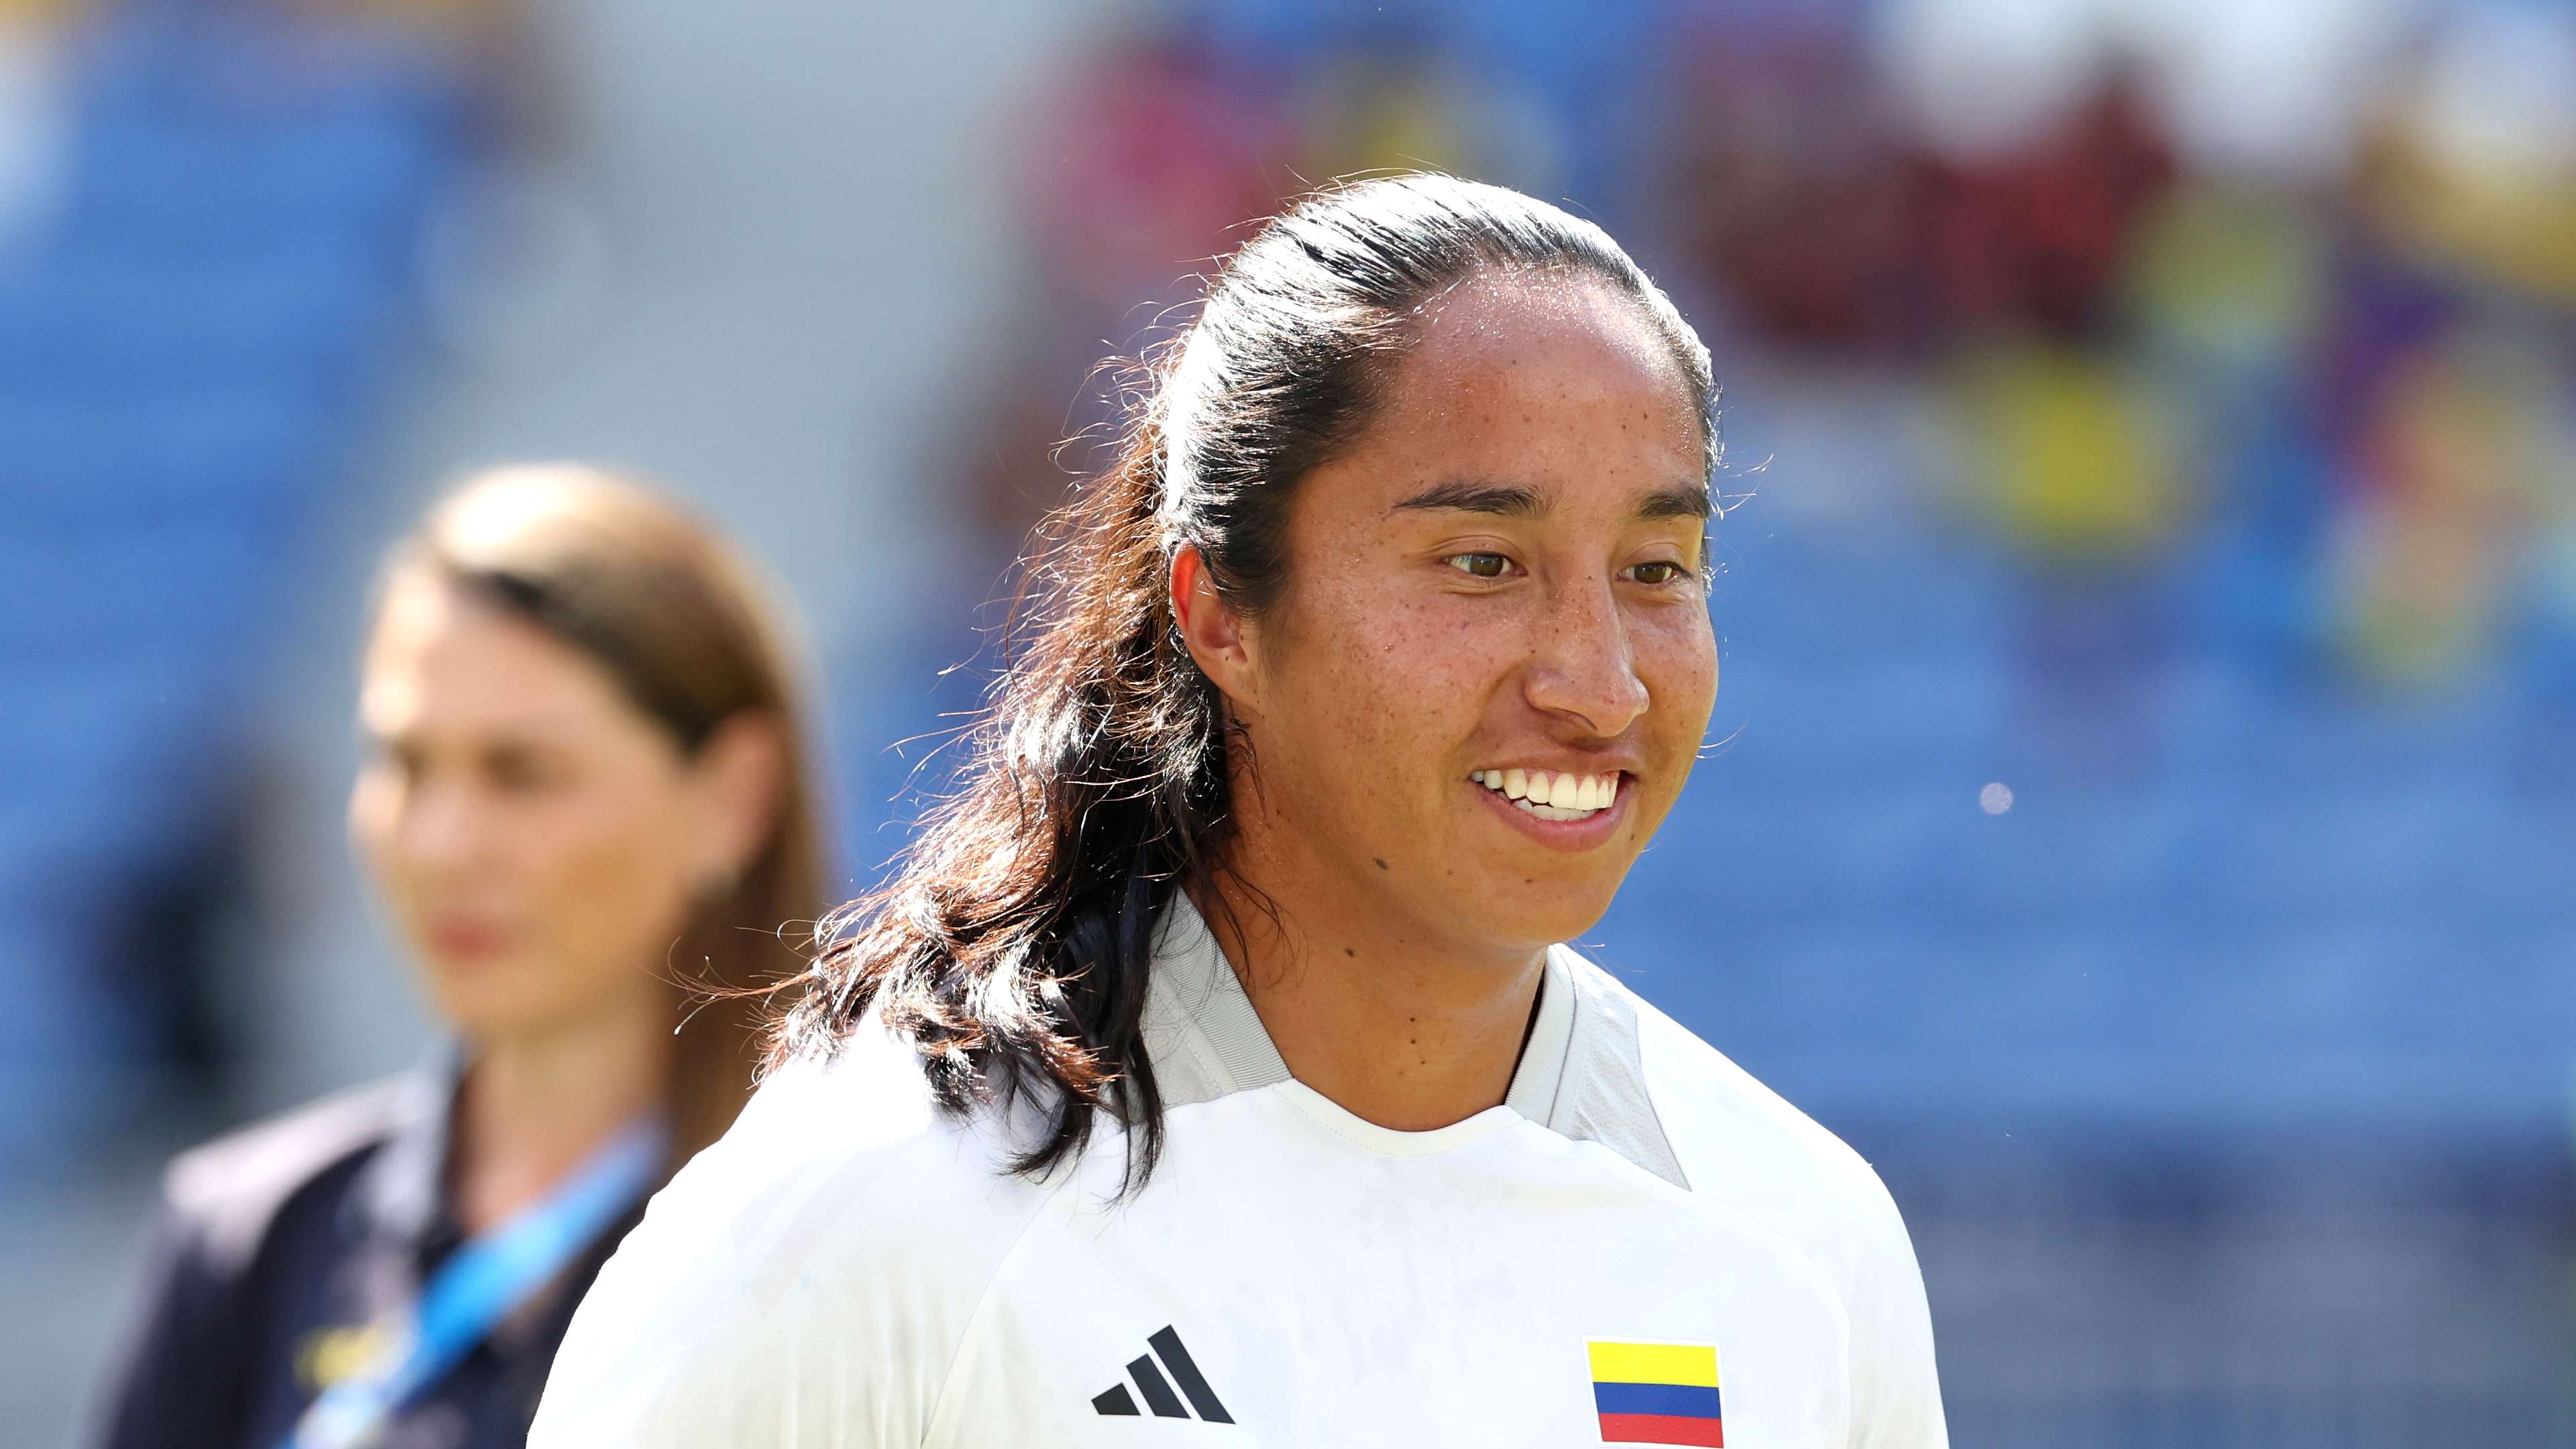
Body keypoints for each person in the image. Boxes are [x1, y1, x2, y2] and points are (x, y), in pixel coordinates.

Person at [534, 175, 1947, 1448]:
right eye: (1479, 560)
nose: (1598, 683)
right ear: (1223, 613)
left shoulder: (1799, 1244)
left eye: (1657, 569)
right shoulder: (879, 1211)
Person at [90, 466, 832, 1449]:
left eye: (523, 774)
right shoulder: (252, 1240)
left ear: (732, 797)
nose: (440, 844)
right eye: (403, 764)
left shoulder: (841, 1234)